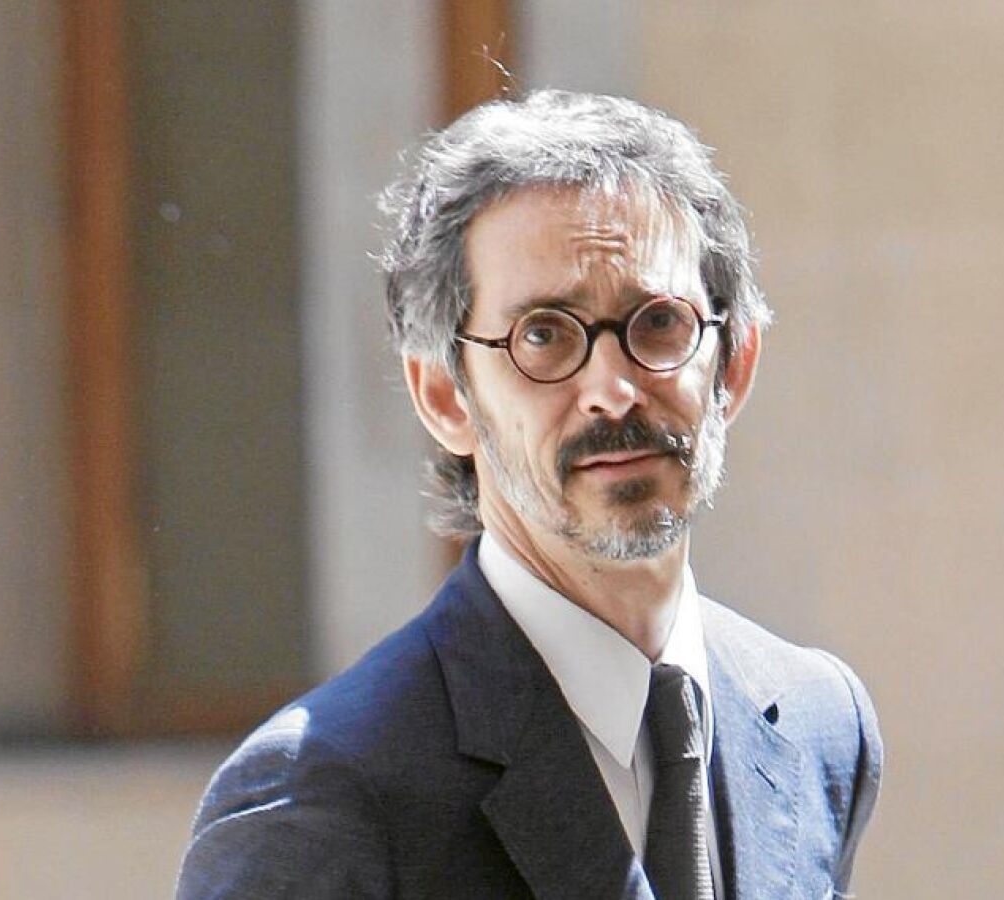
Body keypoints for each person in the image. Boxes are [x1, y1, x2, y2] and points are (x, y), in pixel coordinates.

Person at [176, 90, 881, 900]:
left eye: (657, 323)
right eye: (542, 335)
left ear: (735, 364)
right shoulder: (320, 796)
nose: (611, 391)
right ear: (444, 396)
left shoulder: (817, 721)